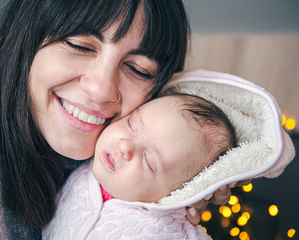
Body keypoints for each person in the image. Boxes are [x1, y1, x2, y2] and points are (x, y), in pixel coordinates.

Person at [0, 0, 231, 239]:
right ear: (28, 31)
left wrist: (175, 191)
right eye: (79, 45)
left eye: (139, 70)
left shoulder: (115, 152)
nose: (101, 89)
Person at [43, 93, 237, 239]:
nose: (125, 145)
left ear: (180, 194)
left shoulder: (163, 232)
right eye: (131, 125)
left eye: (148, 161)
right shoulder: (80, 157)